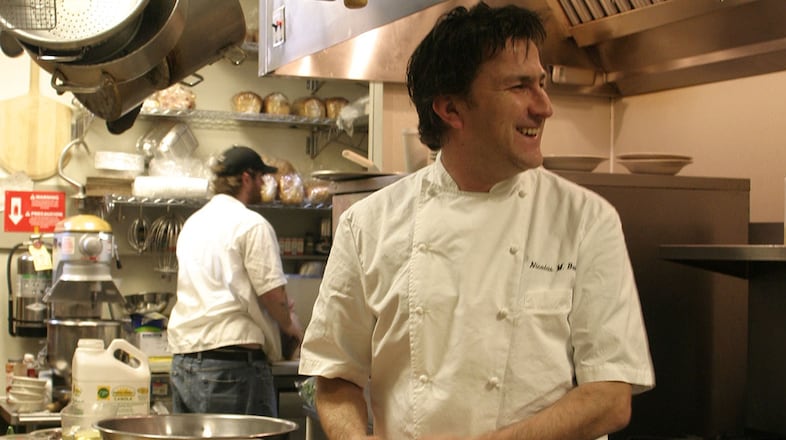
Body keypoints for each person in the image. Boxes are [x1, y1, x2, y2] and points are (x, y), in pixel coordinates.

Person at [298, 2, 655, 439]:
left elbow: (610, 396)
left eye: (541, 84)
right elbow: (336, 375)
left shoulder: (586, 220)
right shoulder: (367, 225)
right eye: (519, 86)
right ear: (451, 109)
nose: (544, 107)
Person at [168, 145, 303, 416]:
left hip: (184, 362)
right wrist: (291, 325)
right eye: (261, 178)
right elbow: (272, 295)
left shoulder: (193, 224)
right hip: (231, 368)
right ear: (246, 178)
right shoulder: (252, 224)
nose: (263, 185)